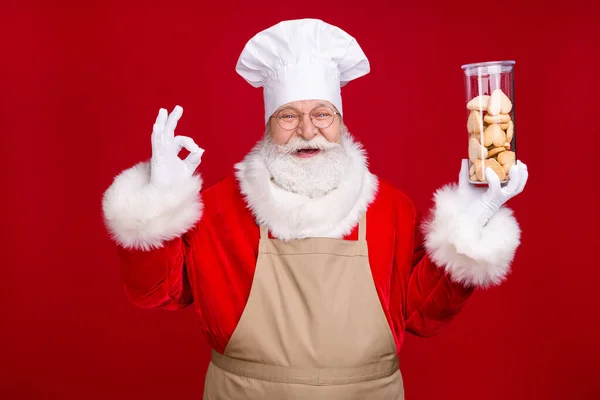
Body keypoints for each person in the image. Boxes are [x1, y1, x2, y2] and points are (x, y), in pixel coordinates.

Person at [101, 18, 528, 400]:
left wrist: (470, 227)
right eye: (288, 116)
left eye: (323, 114)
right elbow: (154, 293)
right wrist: (156, 202)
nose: (308, 130)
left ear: (341, 121)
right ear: (268, 125)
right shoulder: (217, 208)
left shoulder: (391, 208)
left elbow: (423, 316)